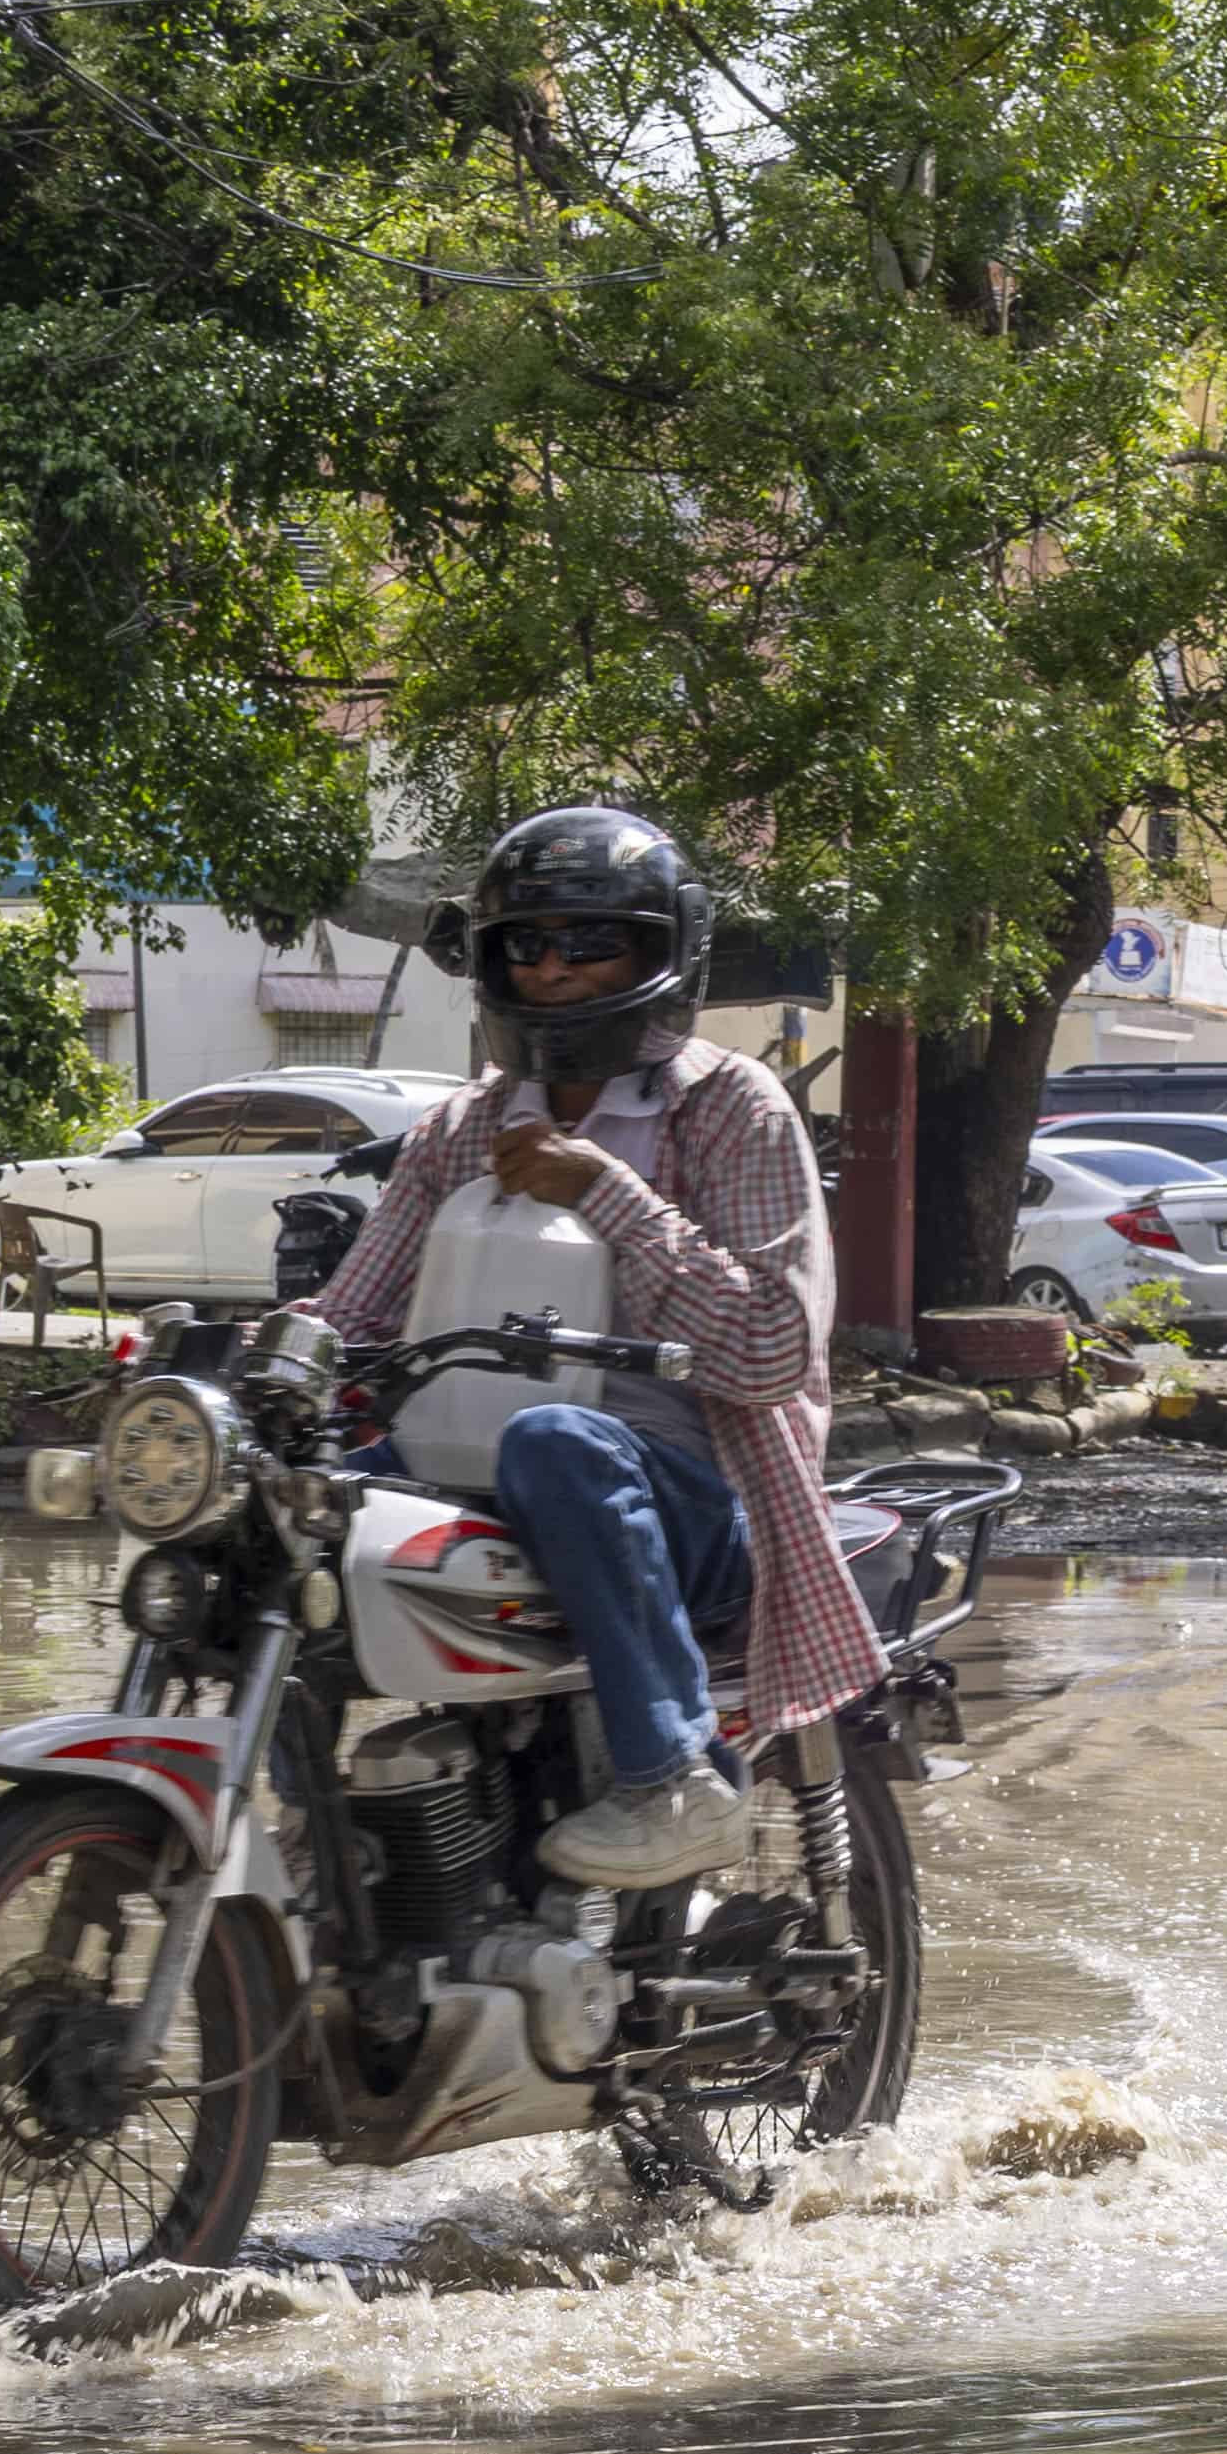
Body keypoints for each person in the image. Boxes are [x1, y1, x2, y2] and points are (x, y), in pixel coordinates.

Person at [316, 804, 888, 1889]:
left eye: (590, 942)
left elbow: (770, 1347)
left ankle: (675, 1775)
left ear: (661, 954)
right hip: (470, 1475)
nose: (554, 971)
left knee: (558, 1440)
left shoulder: (732, 1109)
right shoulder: (459, 1132)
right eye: (527, 945)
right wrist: (236, 1365)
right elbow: (356, 1308)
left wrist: (606, 1193)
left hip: (703, 1494)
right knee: (304, 1507)